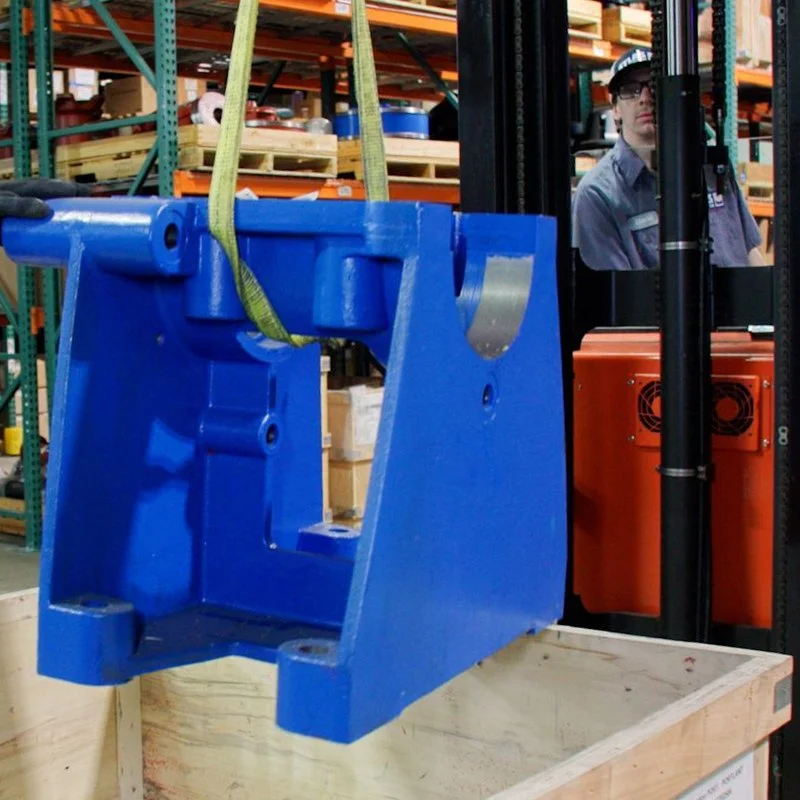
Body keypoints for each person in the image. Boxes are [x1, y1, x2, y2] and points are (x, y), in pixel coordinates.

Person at [572, 47, 765, 271]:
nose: (645, 98)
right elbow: (617, 298)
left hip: (736, 305)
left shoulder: (712, 169)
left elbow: (751, 254)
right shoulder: (598, 195)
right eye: (631, 90)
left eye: (654, 86)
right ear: (615, 108)